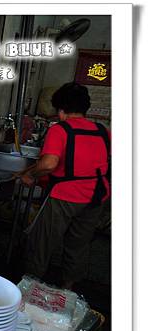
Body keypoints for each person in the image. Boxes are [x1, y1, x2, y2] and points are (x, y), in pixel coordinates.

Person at [18, 82, 110, 289]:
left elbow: (49, 164)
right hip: (96, 196)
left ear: (61, 109)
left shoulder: (60, 130)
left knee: (42, 243)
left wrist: (30, 175)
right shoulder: (102, 131)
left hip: (65, 196)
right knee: (78, 245)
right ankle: (67, 291)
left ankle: (29, 289)